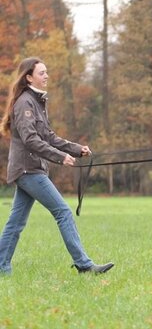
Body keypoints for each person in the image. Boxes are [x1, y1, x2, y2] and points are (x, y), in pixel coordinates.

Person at [0, 57, 113, 275]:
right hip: (28, 170)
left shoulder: (37, 102)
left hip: (28, 169)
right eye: (42, 73)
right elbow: (31, 140)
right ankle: (84, 265)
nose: (46, 76)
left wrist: (76, 149)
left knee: (16, 222)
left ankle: (1, 266)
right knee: (63, 211)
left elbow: (49, 136)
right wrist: (60, 157)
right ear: (29, 77)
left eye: (46, 72)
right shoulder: (25, 103)